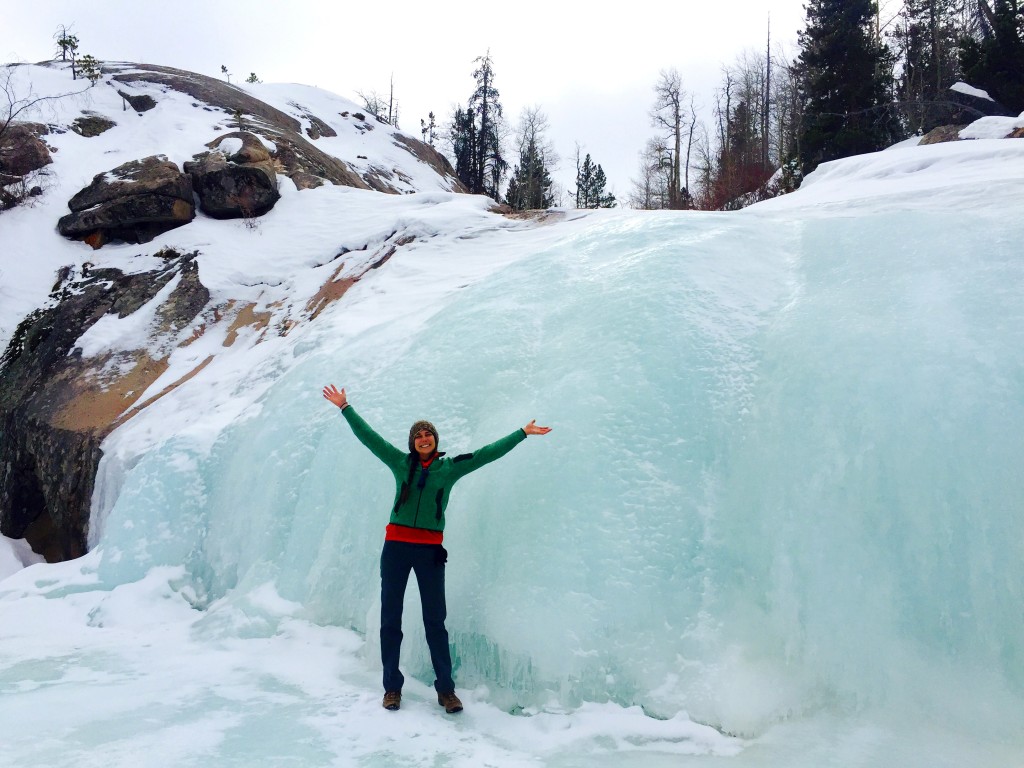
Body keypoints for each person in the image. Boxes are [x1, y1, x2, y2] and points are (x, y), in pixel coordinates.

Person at [322, 383, 551, 714]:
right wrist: (346, 408)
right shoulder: (400, 463)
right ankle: (391, 688)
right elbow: (370, 438)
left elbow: (487, 453)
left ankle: (446, 690)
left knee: (435, 621)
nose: (424, 438)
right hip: (397, 549)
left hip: (429, 552)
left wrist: (522, 433)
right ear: (413, 443)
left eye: (429, 434)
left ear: (436, 440)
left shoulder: (449, 469)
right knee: (390, 620)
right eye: (419, 435)